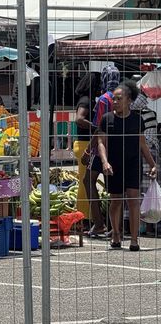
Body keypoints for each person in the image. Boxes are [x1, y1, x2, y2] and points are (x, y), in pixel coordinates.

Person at [96, 81, 157, 251]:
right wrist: (104, 161)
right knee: (115, 201)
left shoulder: (137, 120)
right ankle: (115, 233)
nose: (114, 102)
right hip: (113, 164)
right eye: (113, 99)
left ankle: (134, 239)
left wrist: (152, 164)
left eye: (118, 99)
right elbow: (101, 142)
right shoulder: (107, 119)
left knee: (133, 200)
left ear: (129, 100)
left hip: (133, 163)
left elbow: (142, 144)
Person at [81, 66, 121, 237]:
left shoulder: (104, 100)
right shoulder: (123, 97)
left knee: (88, 180)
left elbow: (99, 129)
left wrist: (88, 150)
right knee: (114, 188)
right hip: (119, 146)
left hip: (101, 148)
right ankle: (115, 227)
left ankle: (99, 223)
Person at [72, 74, 101, 233]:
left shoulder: (88, 100)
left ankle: (85, 217)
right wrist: (96, 126)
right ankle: (83, 218)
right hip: (84, 144)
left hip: (84, 143)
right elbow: (79, 119)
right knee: (85, 183)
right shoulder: (85, 101)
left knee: (86, 182)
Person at [130, 91, 159, 236]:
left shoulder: (140, 116)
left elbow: (146, 140)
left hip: (145, 154)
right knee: (144, 190)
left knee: (142, 190)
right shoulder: (150, 114)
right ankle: (145, 226)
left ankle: (145, 226)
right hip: (148, 154)